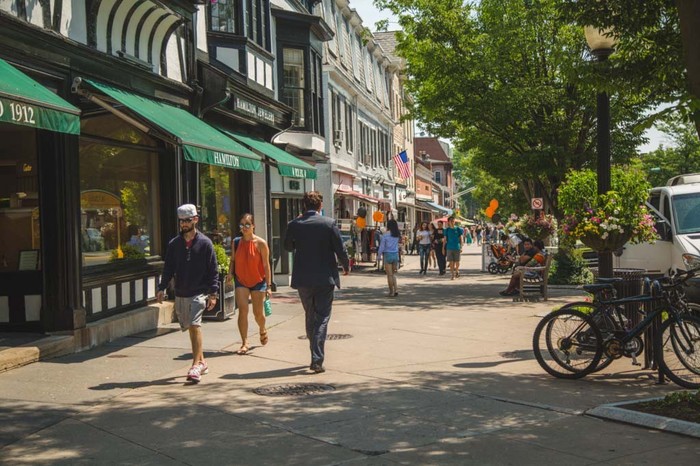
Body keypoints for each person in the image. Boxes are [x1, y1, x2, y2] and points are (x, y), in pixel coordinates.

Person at [284, 191, 350, 374]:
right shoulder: (328, 224)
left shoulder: (294, 224)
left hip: (304, 279)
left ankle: (314, 353)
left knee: (310, 314)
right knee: (321, 318)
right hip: (325, 277)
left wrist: (296, 230)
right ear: (320, 205)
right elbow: (340, 248)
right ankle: (317, 358)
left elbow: (287, 246)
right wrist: (346, 266)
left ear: (304, 206)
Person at [156, 204, 218, 383]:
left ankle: (195, 366)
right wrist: (162, 287)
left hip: (199, 292)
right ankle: (203, 362)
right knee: (188, 326)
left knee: (194, 324)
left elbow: (213, 270)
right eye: (181, 221)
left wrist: (213, 293)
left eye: (187, 220)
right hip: (181, 292)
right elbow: (168, 268)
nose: (184, 224)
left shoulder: (205, 243)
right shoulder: (174, 244)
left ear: (195, 220)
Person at [226, 213, 272, 355]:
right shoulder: (236, 242)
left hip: (258, 281)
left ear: (253, 226)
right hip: (241, 280)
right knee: (243, 311)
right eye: (242, 225)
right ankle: (245, 342)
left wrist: (269, 286)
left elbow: (266, 266)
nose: (244, 228)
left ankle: (262, 329)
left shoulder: (261, 243)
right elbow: (233, 260)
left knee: (258, 313)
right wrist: (230, 273)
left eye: (247, 225)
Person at [378, 219, 402, 296]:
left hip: (387, 255)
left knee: (389, 275)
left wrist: (379, 256)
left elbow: (382, 247)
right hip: (395, 255)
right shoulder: (397, 235)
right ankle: (396, 290)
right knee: (394, 274)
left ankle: (391, 292)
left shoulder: (385, 235)